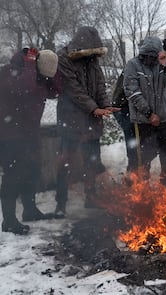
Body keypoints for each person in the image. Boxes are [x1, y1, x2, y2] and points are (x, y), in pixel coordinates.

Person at [55, 26, 119, 216]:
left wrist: (105, 105)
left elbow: (100, 85)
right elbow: (74, 90)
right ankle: (61, 203)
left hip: (92, 119)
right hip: (71, 118)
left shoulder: (92, 61)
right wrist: (94, 108)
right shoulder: (64, 59)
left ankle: (90, 197)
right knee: (66, 161)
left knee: (92, 160)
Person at [0, 47, 61, 234]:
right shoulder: (10, 73)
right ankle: (8, 220)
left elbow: (56, 92)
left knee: (32, 171)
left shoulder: (38, 77)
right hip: (9, 135)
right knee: (12, 176)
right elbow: (24, 90)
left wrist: (50, 75)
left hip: (29, 134)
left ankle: (30, 210)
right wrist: (29, 65)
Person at [112, 34, 166, 172]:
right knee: (139, 154)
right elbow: (132, 91)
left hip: (160, 116)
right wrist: (149, 114)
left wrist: (165, 68)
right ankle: (134, 179)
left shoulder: (162, 64)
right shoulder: (133, 65)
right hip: (127, 109)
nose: (151, 60)